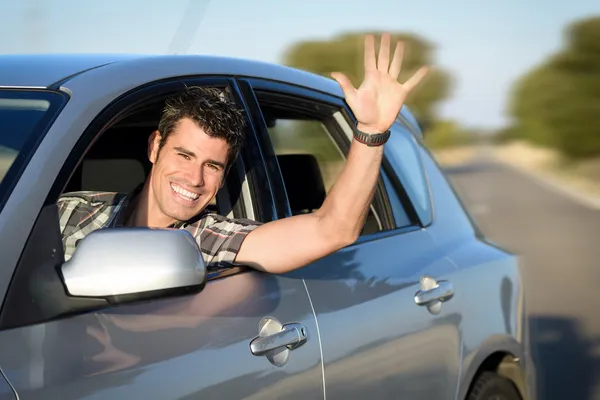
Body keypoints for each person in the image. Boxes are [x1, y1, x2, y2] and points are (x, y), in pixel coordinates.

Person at [58, 33, 429, 274]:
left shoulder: (208, 238)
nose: (195, 179)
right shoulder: (70, 212)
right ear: (155, 146)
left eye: (212, 165)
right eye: (184, 156)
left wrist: (370, 131)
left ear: (223, 174)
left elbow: (332, 230)